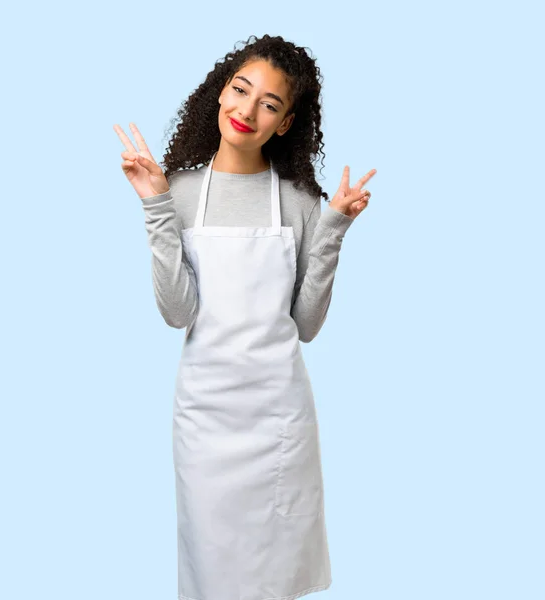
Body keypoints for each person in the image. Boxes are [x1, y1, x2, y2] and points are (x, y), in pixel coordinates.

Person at [114, 34, 376, 600]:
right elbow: (177, 311)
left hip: (279, 421)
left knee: (276, 577)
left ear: (283, 124)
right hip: (206, 421)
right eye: (240, 90)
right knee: (213, 574)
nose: (247, 111)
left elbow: (305, 326)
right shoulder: (178, 193)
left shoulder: (302, 205)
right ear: (219, 94)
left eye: (270, 104)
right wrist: (155, 206)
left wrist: (333, 230)